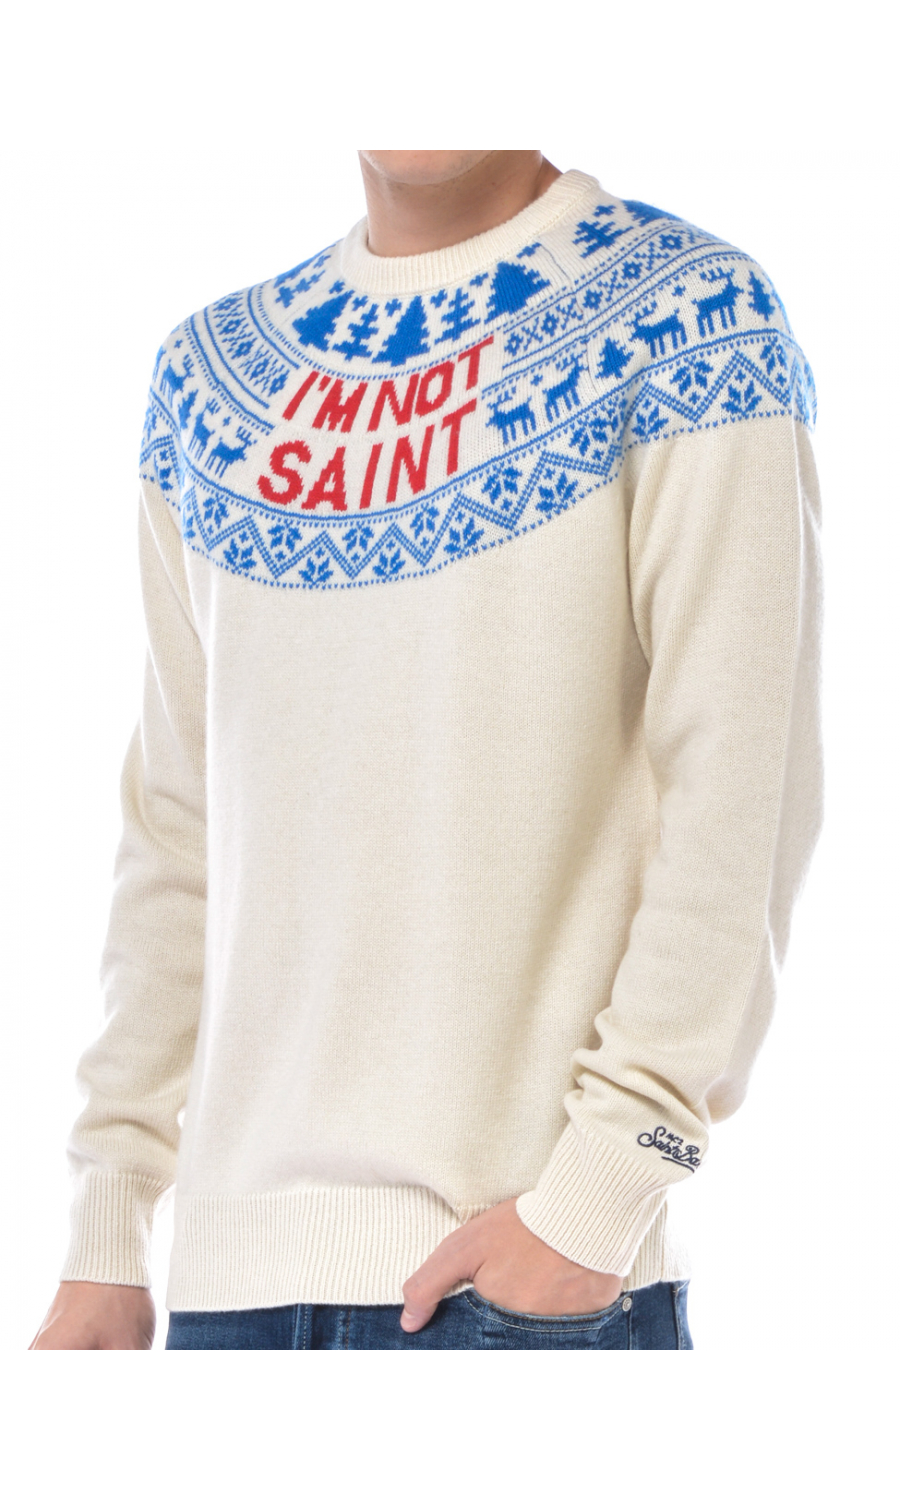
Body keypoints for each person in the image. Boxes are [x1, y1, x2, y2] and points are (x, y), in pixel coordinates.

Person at [30, 150, 822, 1351]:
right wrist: (108, 1221)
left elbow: (742, 793)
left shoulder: (689, 313)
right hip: (227, 1296)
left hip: (525, 1285)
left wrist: (601, 1191)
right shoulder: (205, 375)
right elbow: (180, 827)